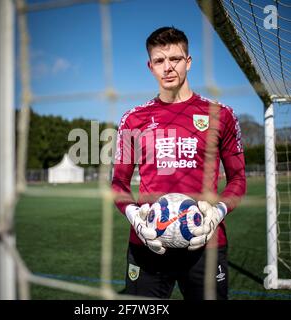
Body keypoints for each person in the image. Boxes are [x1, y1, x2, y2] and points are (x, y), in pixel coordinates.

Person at [111, 26, 246, 300]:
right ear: (150, 66)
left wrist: (217, 212)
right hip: (148, 244)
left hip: (205, 243)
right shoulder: (132, 120)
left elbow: (238, 178)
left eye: (175, 59)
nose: (167, 67)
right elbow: (118, 183)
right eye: (160, 61)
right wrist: (134, 217)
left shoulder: (222, 115)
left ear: (189, 61)